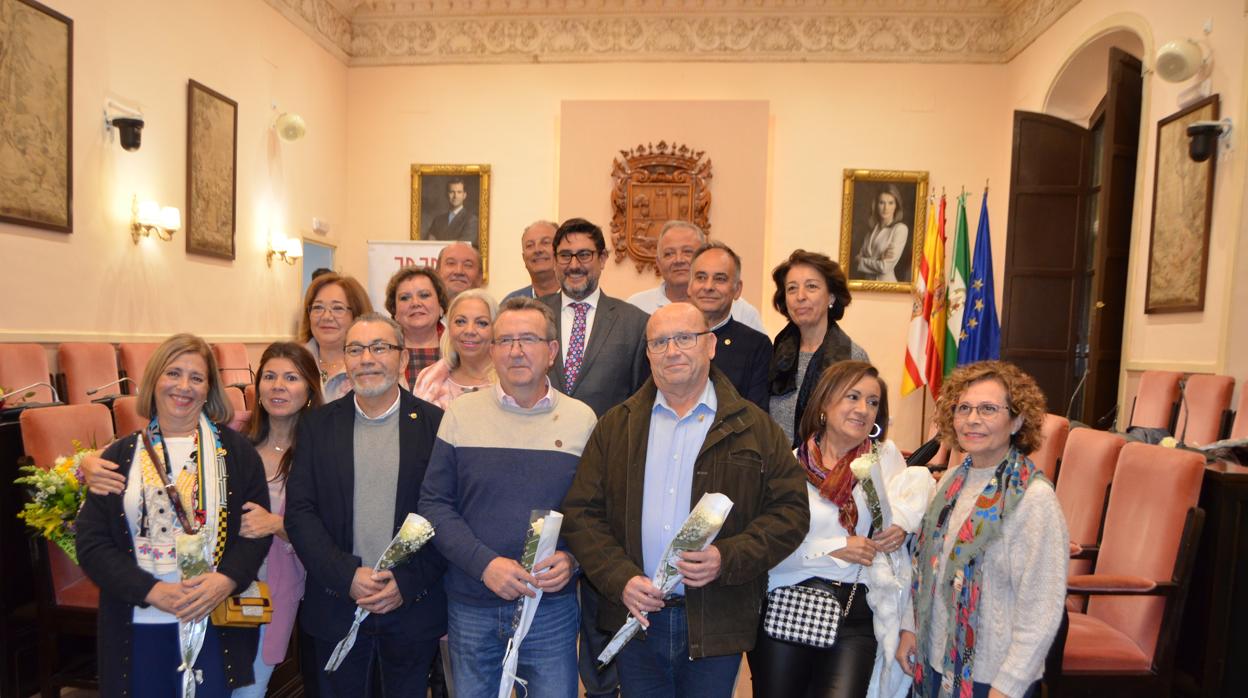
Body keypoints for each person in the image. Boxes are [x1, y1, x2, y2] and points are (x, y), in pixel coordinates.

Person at [562, 303, 810, 698]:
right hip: (637, 619)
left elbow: (791, 514)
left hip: (716, 620)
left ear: (710, 345)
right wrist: (620, 578)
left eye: (684, 338)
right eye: (659, 342)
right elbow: (582, 515)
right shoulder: (616, 426)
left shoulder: (754, 427)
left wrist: (726, 557)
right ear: (648, 354)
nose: (672, 350)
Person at [419, 297, 598, 697]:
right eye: (505, 341)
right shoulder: (461, 415)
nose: (516, 350)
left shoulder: (582, 419)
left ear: (552, 351)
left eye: (528, 339)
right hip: (472, 602)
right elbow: (434, 505)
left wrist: (573, 559)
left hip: (550, 608)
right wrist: (485, 565)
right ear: (493, 350)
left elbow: (596, 514)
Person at [75, 334, 271, 697]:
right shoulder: (118, 457)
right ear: (154, 380)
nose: (184, 387)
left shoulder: (239, 455)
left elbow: (254, 534)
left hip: (214, 616)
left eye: (196, 378)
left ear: (209, 388)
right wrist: (152, 591)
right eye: (173, 373)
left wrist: (225, 580)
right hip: (140, 619)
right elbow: (92, 543)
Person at [748, 360, 934, 698]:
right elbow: (763, 552)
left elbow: (910, 509)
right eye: (853, 397)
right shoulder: (786, 467)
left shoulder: (885, 461)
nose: (863, 409)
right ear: (824, 404)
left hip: (856, 613)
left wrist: (903, 529)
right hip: (788, 608)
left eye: (873, 402)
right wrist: (832, 548)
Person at [285, 313, 448, 697]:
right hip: (336, 605)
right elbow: (300, 513)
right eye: (355, 349)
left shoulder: (436, 425)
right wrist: (347, 576)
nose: (366, 358)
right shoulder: (317, 426)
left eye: (380, 347)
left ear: (403, 359)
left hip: (410, 608)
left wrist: (405, 583)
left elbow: (447, 516)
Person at [897, 361, 1068, 698]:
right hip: (935, 663)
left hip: (993, 678)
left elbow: (1042, 609)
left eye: (989, 409)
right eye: (964, 408)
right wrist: (909, 628)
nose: (972, 419)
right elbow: (922, 566)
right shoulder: (949, 482)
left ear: (1017, 420)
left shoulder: (1033, 500)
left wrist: (1010, 685)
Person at [538, 217, 650, 698]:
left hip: (607, 482)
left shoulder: (633, 322)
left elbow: (641, 401)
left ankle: (602, 687)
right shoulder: (529, 312)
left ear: (602, 259)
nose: (575, 264)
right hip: (541, 475)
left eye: (585, 254)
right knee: (547, 585)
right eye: (565, 255)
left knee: (603, 594)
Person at [228, 342, 326, 698]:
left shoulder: (321, 447)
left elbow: (328, 528)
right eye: (269, 376)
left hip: (277, 583)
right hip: (219, 580)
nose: (278, 386)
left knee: (249, 689)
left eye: (291, 377)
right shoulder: (233, 433)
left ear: (310, 388)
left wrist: (277, 525)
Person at [768, 249, 869, 446]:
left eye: (811, 287)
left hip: (832, 471)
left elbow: (863, 426)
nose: (800, 296)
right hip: (775, 469)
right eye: (791, 289)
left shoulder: (852, 358)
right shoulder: (774, 354)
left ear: (831, 297)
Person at [626, 221, 765, 333]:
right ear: (658, 263)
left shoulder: (742, 310)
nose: (678, 260)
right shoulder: (635, 307)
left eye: (687, 252)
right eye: (669, 254)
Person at [687, 241, 771, 410]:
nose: (708, 286)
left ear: (737, 289)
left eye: (720, 279)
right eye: (701, 277)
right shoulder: (668, 339)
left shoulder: (756, 346)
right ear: (689, 286)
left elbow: (756, 416)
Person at [412, 289, 497, 409]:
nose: (469, 331)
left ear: (496, 330)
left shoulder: (511, 382)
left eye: (481, 323)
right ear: (449, 328)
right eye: (460, 321)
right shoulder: (429, 378)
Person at [299, 272, 374, 402]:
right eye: (318, 307)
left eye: (337, 308)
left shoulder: (375, 365)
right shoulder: (293, 362)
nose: (326, 317)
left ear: (357, 315)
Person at [386, 266, 449, 390]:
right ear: (395, 311)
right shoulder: (383, 350)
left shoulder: (459, 349)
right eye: (405, 298)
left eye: (424, 295)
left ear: (441, 305)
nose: (415, 303)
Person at [855, 184, 910, 283]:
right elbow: (856, 261)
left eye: (890, 203)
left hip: (887, 287)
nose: (886, 208)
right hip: (866, 286)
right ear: (876, 205)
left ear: (896, 206)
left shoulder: (900, 229)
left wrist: (862, 261)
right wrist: (879, 259)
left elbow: (884, 267)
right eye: (882, 203)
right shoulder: (871, 230)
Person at [505, 219, 561, 300]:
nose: (537, 250)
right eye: (530, 245)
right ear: (524, 258)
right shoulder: (511, 304)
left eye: (545, 242)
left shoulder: (578, 301)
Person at [425, 178, 480, 243]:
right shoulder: (438, 220)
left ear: (464, 195)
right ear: (446, 194)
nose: (455, 196)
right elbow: (429, 244)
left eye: (459, 192)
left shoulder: (471, 220)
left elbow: (462, 246)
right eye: (452, 192)